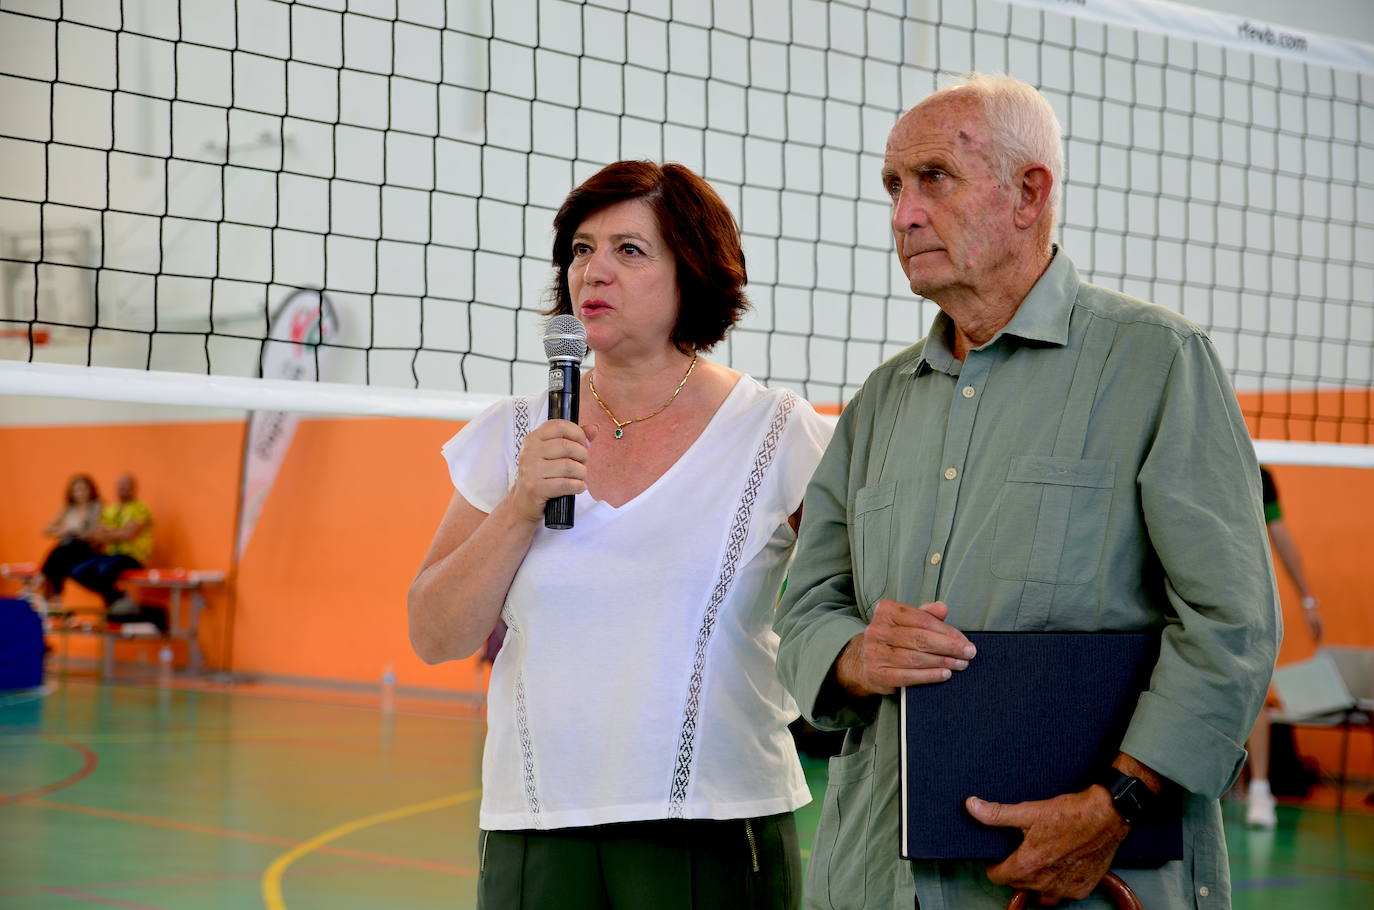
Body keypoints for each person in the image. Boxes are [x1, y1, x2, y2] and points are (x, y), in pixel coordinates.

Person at [774, 74, 1280, 908]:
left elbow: (1231, 623)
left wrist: (1116, 805)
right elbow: (809, 602)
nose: (903, 214)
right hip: (875, 874)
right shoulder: (879, 403)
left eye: (933, 178)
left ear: (1028, 192)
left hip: (1093, 874)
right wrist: (853, 656)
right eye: (894, 188)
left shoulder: (1156, 364)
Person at [409, 160, 833, 909]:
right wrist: (519, 506)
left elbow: (848, 604)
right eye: (580, 248)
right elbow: (435, 633)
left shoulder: (780, 434)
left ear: (692, 273)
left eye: (628, 250)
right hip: (533, 828)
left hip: (715, 819)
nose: (592, 270)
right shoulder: (512, 433)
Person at [1245, 465, 1322, 828]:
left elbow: (1279, 534)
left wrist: (1308, 599)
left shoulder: (1259, 475)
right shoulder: (1192, 460)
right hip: (1190, 594)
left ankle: (1260, 789)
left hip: (1245, 597)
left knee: (1255, 690)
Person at [70, 473, 154, 619]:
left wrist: (108, 534)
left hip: (132, 557)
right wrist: (117, 533)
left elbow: (129, 535)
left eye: (127, 486)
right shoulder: (109, 510)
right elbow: (95, 535)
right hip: (109, 556)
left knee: (105, 570)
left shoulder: (141, 509)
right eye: (120, 486)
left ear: (134, 489)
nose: (123, 489)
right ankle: (118, 598)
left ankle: (117, 605)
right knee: (78, 571)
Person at [24, 473, 104, 606]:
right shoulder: (68, 509)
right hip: (68, 551)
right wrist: (60, 531)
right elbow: (46, 529)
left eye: (84, 488)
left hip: (87, 549)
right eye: (77, 489)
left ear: (91, 490)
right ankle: (54, 597)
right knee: (62, 556)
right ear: (71, 492)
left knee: (63, 550)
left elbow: (96, 533)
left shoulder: (97, 507)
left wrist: (71, 531)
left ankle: (43, 582)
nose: (81, 493)